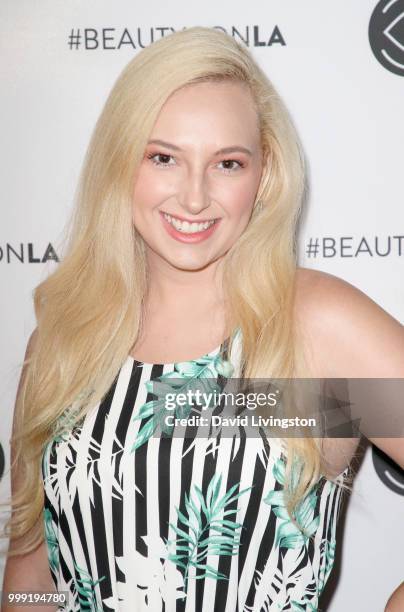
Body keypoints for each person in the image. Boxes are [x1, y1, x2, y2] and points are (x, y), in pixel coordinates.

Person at [2, 26, 404, 612]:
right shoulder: (63, 344)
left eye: (227, 163)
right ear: (120, 163)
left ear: (262, 176)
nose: (193, 198)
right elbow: (32, 570)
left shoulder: (316, 328)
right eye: (163, 157)